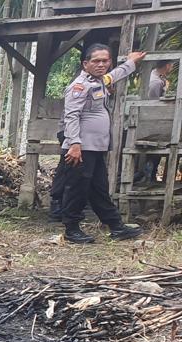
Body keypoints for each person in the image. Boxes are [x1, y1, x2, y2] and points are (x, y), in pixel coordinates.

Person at [59, 44, 146, 244]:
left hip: (96, 147)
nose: (101, 65)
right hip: (81, 148)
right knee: (77, 188)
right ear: (85, 63)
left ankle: (115, 226)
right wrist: (74, 144)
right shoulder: (79, 86)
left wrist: (131, 62)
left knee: (99, 188)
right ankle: (71, 229)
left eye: (105, 61)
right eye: (96, 61)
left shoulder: (99, 81)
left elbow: (115, 75)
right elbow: (71, 116)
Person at [135, 61, 173, 184]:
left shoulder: (157, 77)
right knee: (155, 151)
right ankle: (148, 177)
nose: (172, 67)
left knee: (155, 152)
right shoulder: (155, 82)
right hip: (151, 122)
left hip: (151, 122)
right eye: (171, 65)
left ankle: (148, 176)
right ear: (167, 65)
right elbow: (154, 103)